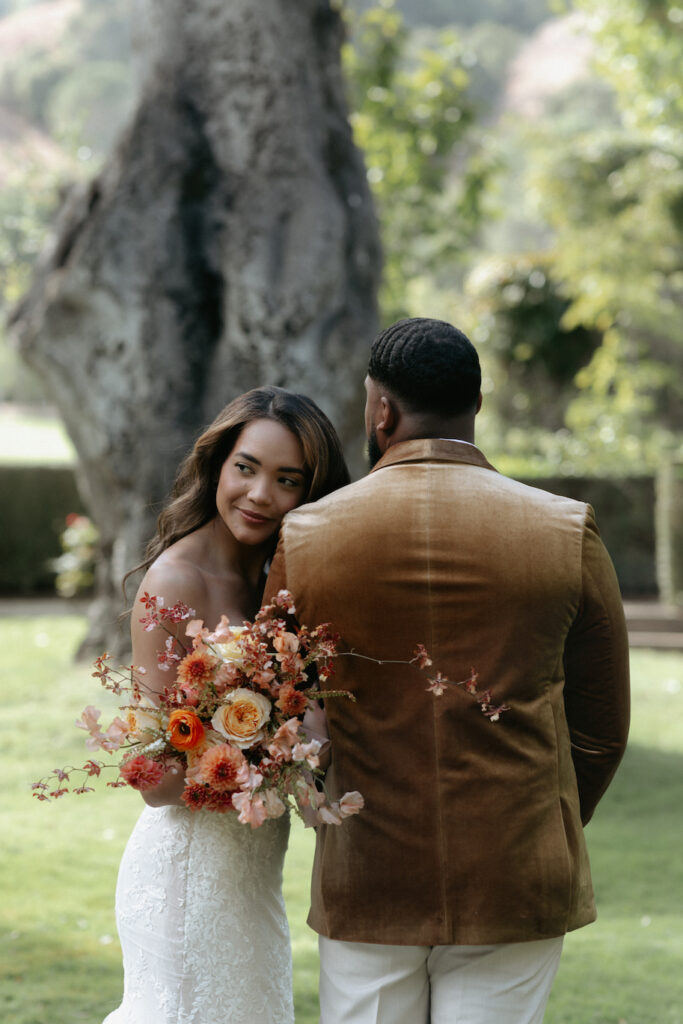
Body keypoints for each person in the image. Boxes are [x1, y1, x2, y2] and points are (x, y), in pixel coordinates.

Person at [264, 317, 630, 1024]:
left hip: (365, 868)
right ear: (477, 407)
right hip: (516, 870)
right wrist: (539, 820)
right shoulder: (563, 528)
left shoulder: (307, 536)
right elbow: (601, 728)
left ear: (380, 409)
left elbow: (285, 699)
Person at [103, 385, 350, 1024]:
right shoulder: (173, 582)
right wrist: (266, 753)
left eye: (287, 479)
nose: (261, 494)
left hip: (254, 873)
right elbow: (154, 781)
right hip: (187, 874)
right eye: (246, 468)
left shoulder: (284, 579)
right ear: (218, 464)